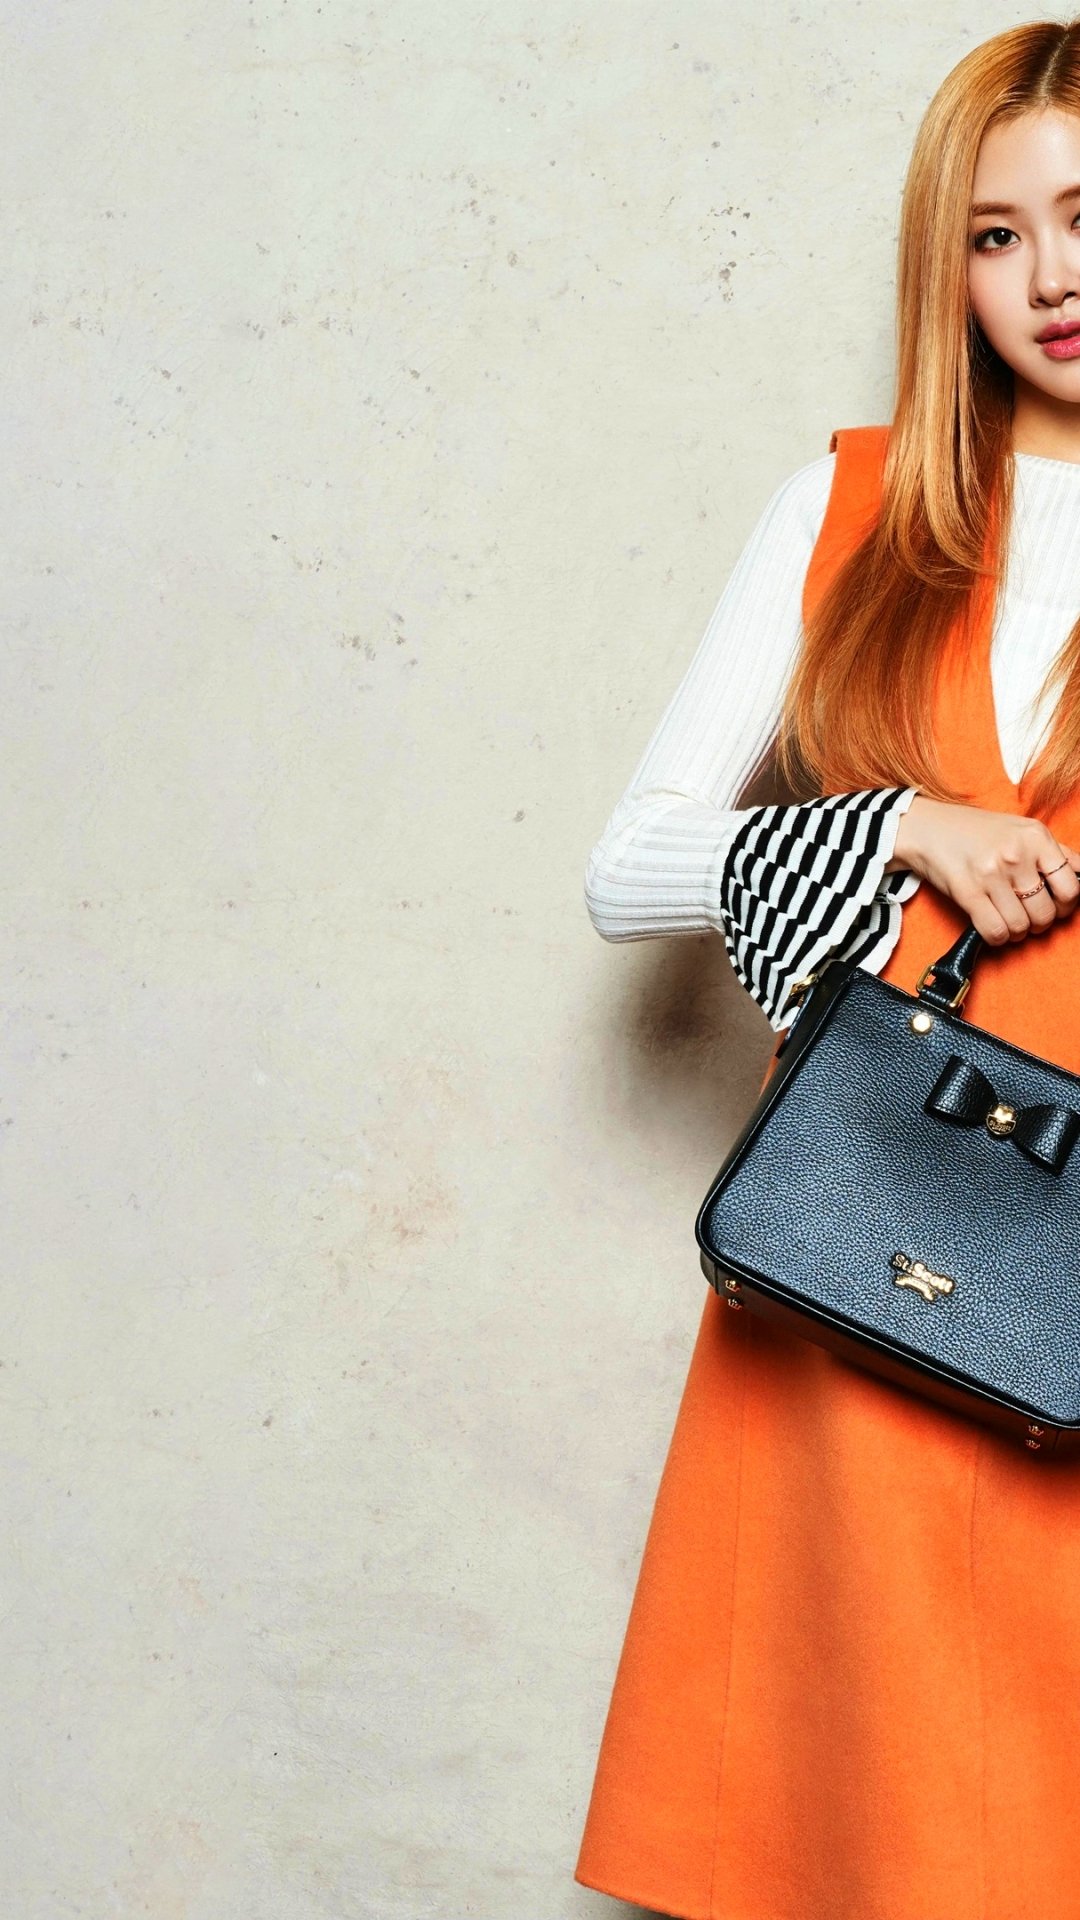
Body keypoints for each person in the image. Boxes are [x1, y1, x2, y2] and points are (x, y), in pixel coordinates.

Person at [574, 20, 1080, 1920]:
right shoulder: (851, 509)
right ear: (942, 266)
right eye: (994, 234)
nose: (1052, 278)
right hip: (872, 1260)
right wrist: (901, 826)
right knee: (861, 1843)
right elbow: (631, 870)